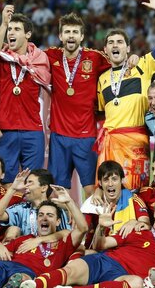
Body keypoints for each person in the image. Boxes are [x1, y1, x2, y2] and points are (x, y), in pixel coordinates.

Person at [95, 0, 155, 190]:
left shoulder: (143, 65)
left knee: (134, 191)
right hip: (111, 142)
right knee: (108, 193)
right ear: (105, 50)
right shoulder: (102, 79)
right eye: (111, 42)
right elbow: (103, 113)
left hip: (136, 142)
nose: (115, 45)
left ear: (128, 48)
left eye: (120, 42)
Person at [18, 196, 155, 288]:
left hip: (124, 275)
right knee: (70, 270)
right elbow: (102, 245)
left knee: (136, 284)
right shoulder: (137, 230)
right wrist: (100, 227)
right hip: (105, 261)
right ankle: (34, 285)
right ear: (154, 213)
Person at [45, 12, 111, 197]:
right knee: (58, 190)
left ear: (82, 36)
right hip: (59, 135)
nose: (71, 35)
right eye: (67, 32)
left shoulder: (95, 57)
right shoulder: (51, 55)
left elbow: (118, 64)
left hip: (86, 135)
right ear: (60, 36)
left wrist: (133, 59)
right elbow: (26, 55)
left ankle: (94, 226)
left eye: (75, 32)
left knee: (91, 189)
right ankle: (63, 224)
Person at [0, 6, 50, 184]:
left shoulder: (39, 60)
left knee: (35, 184)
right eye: (10, 29)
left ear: (28, 34)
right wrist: (3, 24)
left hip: (33, 131)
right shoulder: (1, 59)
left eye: (16, 29)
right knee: (6, 183)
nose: (10, 33)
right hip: (5, 131)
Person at [80, 160, 150, 248]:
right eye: (106, 180)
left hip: (126, 251)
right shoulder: (91, 205)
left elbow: (146, 223)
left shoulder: (133, 199)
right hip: (98, 252)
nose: (110, 184)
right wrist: (100, 228)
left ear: (122, 180)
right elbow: (80, 234)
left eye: (114, 179)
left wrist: (135, 222)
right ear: (100, 183)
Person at [0, 169, 71, 242]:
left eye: (30, 182)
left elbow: (68, 234)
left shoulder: (57, 209)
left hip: (50, 254)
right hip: (25, 254)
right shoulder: (22, 208)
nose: (25, 186)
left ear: (43, 188)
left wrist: (39, 240)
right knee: (13, 230)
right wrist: (13, 188)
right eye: (26, 183)